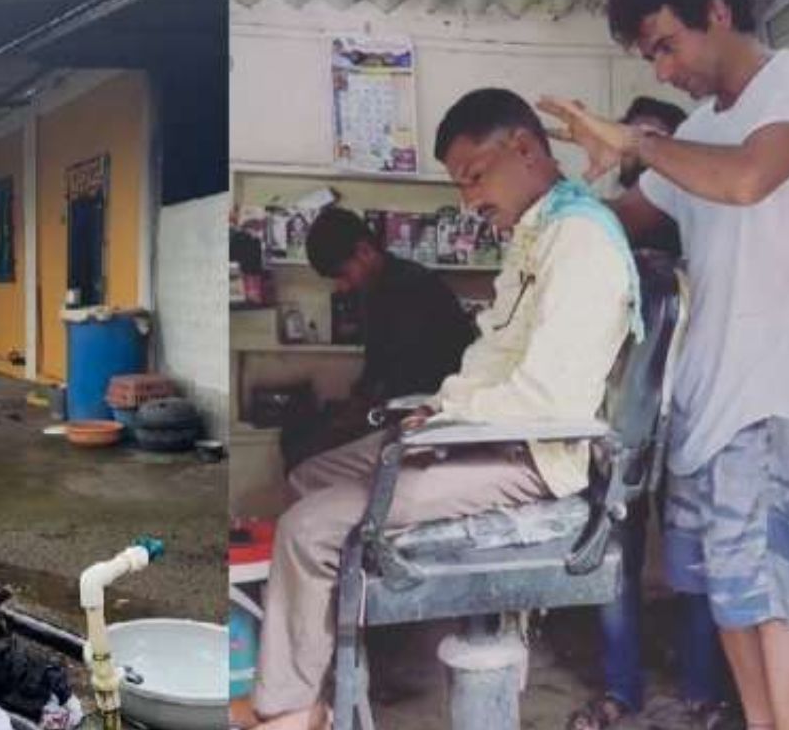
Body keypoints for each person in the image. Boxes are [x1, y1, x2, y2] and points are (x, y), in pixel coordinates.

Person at [244, 88, 638, 730]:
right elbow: (488, 364)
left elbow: (547, 400)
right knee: (307, 479)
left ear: (524, 148)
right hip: (489, 433)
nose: (471, 201)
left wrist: (447, 421)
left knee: (308, 528)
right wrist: (438, 410)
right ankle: (329, 670)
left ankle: (290, 711)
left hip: (533, 453)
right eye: (461, 186)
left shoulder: (580, 242)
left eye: (476, 178)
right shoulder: (537, 237)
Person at [540, 0, 789, 730]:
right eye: (651, 56)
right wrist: (551, 198)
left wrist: (636, 141)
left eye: (666, 46)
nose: (662, 71)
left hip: (769, 402)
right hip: (704, 413)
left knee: (778, 611)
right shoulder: (705, 129)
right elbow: (628, 216)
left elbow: (748, 177)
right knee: (732, 609)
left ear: (718, 12)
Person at [568, 97, 739, 730]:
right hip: (627, 417)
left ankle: (702, 693)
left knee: (693, 559)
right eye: (636, 140)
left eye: (657, 141)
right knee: (617, 551)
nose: (644, 153)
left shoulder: (707, 218)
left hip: (698, 408)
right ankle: (623, 688)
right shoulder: (611, 234)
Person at [280, 207, 475, 464]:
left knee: (306, 451)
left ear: (364, 251)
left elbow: (408, 373)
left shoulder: (412, 288)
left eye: (342, 274)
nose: (342, 286)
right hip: (392, 403)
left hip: (423, 410)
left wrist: (359, 412)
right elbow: (378, 363)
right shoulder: (375, 288)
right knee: (295, 434)